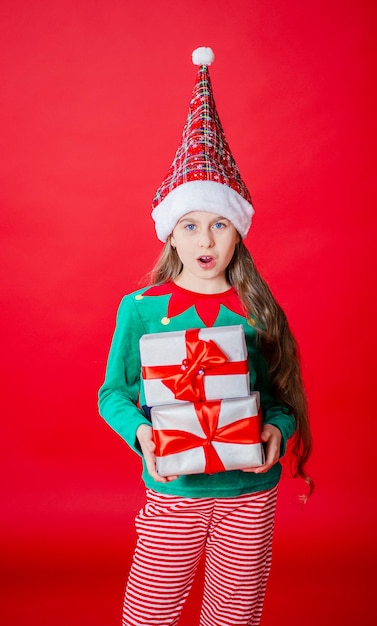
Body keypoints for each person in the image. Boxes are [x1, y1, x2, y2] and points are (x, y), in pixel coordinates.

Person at [98, 47, 312, 626]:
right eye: (190, 225)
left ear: (237, 233)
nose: (205, 239)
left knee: (235, 613)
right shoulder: (141, 309)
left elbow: (279, 398)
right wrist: (141, 434)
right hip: (176, 487)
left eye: (219, 223)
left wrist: (276, 428)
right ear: (171, 236)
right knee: (151, 609)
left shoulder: (256, 309)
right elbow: (112, 393)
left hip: (249, 489)